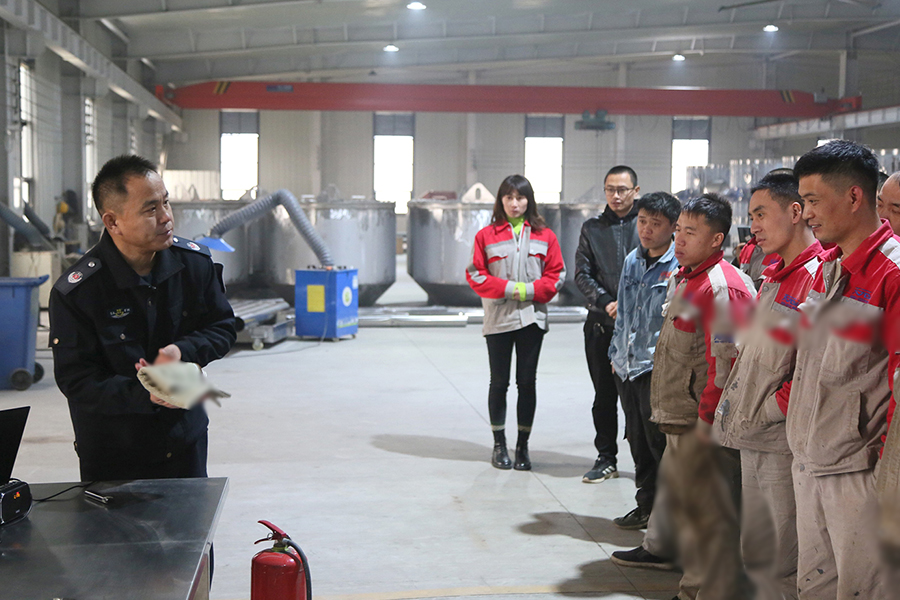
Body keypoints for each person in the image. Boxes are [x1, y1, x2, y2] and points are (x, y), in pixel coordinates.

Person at [50, 155, 237, 482]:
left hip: (184, 443)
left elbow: (222, 327)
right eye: (150, 209)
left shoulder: (194, 265)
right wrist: (145, 393)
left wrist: (182, 351)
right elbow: (77, 380)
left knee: (191, 516)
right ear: (113, 222)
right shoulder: (79, 292)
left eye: (166, 202)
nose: (166, 217)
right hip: (114, 454)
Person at [614, 194, 757, 600]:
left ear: (717, 239)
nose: (678, 240)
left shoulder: (721, 287)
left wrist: (710, 424)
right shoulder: (687, 277)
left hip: (702, 423)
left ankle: (702, 591)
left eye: (690, 233)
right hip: (681, 417)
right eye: (678, 230)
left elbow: (725, 364)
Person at [788, 140, 897, 599]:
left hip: (859, 475)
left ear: (854, 197)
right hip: (812, 461)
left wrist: (886, 481)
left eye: (813, 201)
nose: (806, 214)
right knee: (814, 587)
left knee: (863, 590)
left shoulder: (892, 274)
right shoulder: (829, 267)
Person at [712, 171, 822, 600]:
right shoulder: (774, 274)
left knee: (782, 561)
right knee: (758, 556)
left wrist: (771, 409)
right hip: (755, 435)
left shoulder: (816, 276)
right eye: (751, 215)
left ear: (796, 212)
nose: (752, 225)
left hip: (781, 442)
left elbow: (813, 369)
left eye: (760, 214)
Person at [466, 174, 565, 471]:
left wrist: (529, 291)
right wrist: (512, 289)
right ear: (501, 201)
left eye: (520, 197)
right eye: (508, 197)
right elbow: (476, 275)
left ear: (528, 201)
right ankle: (499, 445)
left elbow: (557, 275)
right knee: (499, 382)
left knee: (527, 382)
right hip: (499, 320)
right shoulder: (486, 236)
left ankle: (522, 446)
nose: (514, 203)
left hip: (532, 320)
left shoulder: (545, 236)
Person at [607, 192, 680, 530]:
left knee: (659, 443)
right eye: (642, 221)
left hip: (655, 369)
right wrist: (615, 353)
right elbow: (623, 311)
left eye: (656, 223)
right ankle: (645, 505)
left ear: (673, 227)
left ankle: (667, 517)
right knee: (636, 440)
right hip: (626, 367)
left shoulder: (677, 266)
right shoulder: (632, 261)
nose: (647, 230)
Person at [575, 165, 642, 483]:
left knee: (638, 399)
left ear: (636, 191)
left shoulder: (648, 226)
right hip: (601, 325)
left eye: (622, 190)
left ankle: (645, 461)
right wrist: (606, 302)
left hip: (640, 329)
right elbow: (582, 274)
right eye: (610, 190)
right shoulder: (592, 228)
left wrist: (630, 305)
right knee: (603, 396)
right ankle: (606, 458)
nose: (616, 196)